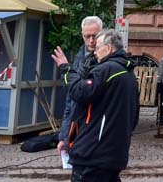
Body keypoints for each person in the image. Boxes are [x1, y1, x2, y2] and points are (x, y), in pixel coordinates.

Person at [52, 29, 140, 182]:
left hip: (93, 154)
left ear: (109, 48)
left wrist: (66, 69)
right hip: (113, 153)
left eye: (98, 48)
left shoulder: (107, 69)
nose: (95, 53)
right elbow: (134, 116)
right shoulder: (128, 74)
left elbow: (79, 93)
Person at [57, 15, 103, 158]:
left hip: (96, 129)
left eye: (94, 36)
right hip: (78, 125)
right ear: (82, 35)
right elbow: (71, 101)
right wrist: (64, 136)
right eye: (87, 36)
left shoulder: (107, 60)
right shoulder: (79, 56)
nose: (91, 41)